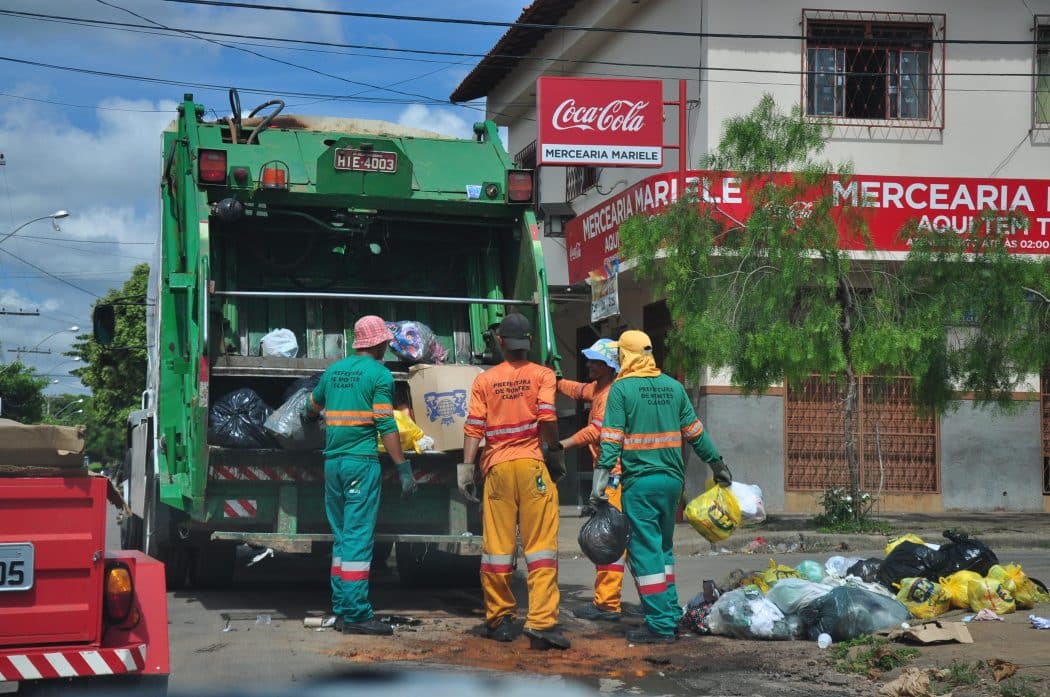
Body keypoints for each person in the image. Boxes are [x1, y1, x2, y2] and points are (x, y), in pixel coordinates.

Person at [595, 330, 732, 644]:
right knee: (662, 549)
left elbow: (611, 440)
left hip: (640, 484)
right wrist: (718, 465)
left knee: (645, 553)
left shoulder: (621, 389)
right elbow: (696, 433)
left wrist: (599, 485)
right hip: (672, 484)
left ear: (627, 355)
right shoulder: (674, 387)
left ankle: (659, 625)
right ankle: (670, 614)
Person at [457, 313, 570, 650]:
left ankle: (500, 620)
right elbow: (547, 418)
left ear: (500, 342)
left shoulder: (485, 380)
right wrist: (554, 452)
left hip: (498, 470)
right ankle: (541, 624)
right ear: (529, 342)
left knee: (497, 549)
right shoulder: (543, 375)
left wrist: (466, 468)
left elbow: (474, 427)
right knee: (541, 549)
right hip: (533, 467)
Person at [303, 315, 417, 636]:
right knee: (357, 538)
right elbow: (385, 423)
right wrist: (403, 467)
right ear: (379, 343)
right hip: (360, 463)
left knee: (342, 538)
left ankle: (342, 609)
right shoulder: (379, 375)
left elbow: (311, 407)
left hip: (333, 463)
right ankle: (356, 614)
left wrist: (307, 419)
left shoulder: (333, 371)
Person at [550, 338, 628, 622]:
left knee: (607, 540)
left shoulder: (610, 395)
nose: (589, 365)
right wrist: (555, 380)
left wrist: (561, 444)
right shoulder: (599, 388)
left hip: (613, 476)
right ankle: (645, 602)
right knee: (626, 542)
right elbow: (578, 390)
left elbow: (595, 431)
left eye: (595, 361)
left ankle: (607, 605)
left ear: (609, 366)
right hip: (615, 474)